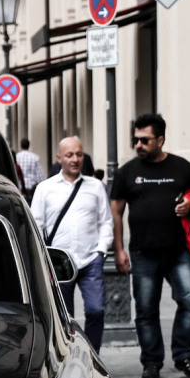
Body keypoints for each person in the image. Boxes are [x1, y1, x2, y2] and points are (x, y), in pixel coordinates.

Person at [111, 113, 190, 378]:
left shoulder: (182, 168)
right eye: (136, 140)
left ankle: (184, 356)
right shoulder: (127, 172)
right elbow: (116, 212)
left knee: (189, 300)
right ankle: (151, 362)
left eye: (145, 140)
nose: (138, 144)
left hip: (180, 250)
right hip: (143, 252)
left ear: (160, 139)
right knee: (145, 309)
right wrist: (119, 249)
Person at [32, 136, 112, 352]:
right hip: (59, 264)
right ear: (59, 158)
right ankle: (68, 357)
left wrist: (101, 252)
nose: (75, 159)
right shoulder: (45, 188)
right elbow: (36, 226)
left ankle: (93, 356)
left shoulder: (95, 187)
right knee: (64, 318)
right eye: (69, 155)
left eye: (79, 154)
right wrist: (43, 258)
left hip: (90, 261)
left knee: (96, 310)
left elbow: (105, 222)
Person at [15, 138, 43, 202]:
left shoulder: (16, 157)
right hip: (31, 187)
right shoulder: (35, 157)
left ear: (21, 146)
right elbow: (40, 176)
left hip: (19, 188)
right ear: (29, 146)